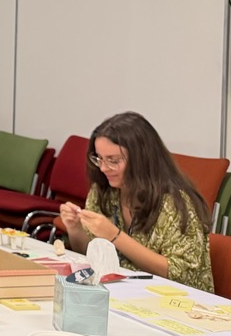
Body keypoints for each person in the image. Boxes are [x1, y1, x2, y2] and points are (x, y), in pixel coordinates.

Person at [58, 111, 213, 292]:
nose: (103, 168)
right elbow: (90, 253)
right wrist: (75, 228)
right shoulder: (105, 190)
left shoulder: (175, 203)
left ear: (141, 159)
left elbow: (178, 273)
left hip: (175, 301)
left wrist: (115, 236)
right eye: (99, 158)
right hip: (124, 293)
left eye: (113, 160)